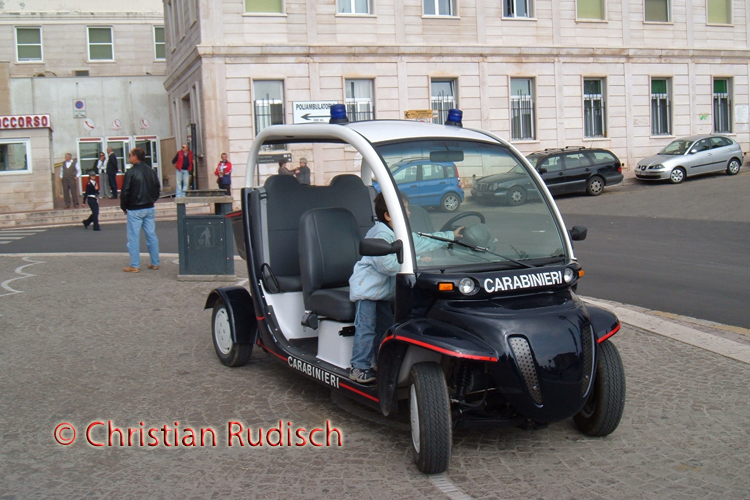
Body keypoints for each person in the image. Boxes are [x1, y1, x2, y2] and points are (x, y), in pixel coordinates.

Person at [348, 192, 465, 383]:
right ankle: (359, 367)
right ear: (388, 215)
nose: (409, 213)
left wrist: (450, 236)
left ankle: (380, 363)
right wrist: (415, 261)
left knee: (385, 328)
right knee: (366, 329)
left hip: (383, 294)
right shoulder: (381, 234)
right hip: (366, 292)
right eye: (405, 209)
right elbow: (387, 265)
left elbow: (420, 241)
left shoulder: (397, 233)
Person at [121, 148, 161, 273]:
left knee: (133, 237)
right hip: (149, 206)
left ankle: (134, 264)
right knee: (151, 235)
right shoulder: (151, 171)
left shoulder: (131, 172)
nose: (129, 157)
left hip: (135, 208)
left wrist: (124, 206)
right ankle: (155, 262)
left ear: (135, 157)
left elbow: (125, 191)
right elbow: (157, 188)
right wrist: (152, 200)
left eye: (130, 155)